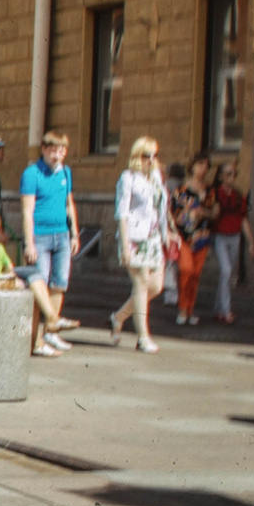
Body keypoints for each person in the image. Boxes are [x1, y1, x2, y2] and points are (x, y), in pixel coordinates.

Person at [20, 132, 80, 358]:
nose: (58, 155)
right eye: (54, 150)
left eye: (62, 150)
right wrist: (29, 243)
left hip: (62, 234)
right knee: (39, 286)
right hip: (40, 236)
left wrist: (74, 234)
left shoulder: (65, 172)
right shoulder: (31, 173)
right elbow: (27, 211)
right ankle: (36, 341)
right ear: (44, 149)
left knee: (59, 284)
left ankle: (50, 332)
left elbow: (69, 204)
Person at [109, 138, 170, 354]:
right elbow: (122, 213)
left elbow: (161, 208)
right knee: (141, 284)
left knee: (156, 286)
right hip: (134, 238)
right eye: (146, 156)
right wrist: (125, 244)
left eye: (154, 155)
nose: (151, 160)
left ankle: (118, 317)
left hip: (154, 238)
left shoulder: (156, 177)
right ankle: (143, 337)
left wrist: (167, 232)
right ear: (136, 157)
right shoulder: (128, 178)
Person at [165, 157, 212, 326]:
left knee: (195, 275)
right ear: (192, 167)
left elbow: (214, 212)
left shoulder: (208, 190)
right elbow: (171, 213)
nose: (203, 169)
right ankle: (182, 309)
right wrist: (172, 231)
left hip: (201, 236)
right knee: (186, 270)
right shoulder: (181, 190)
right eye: (200, 164)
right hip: (183, 237)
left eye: (206, 166)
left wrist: (204, 212)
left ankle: (190, 310)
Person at [207, 164, 254, 324]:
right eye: (228, 174)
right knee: (226, 271)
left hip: (235, 237)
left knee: (227, 274)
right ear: (221, 176)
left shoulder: (238, 195)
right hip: (219, 236)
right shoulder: (215, 193)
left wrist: (250, 242)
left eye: (234, 174)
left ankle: (219, 309)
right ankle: (226, 310)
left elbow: (243, 219)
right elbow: (210, 214)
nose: (231, 177)